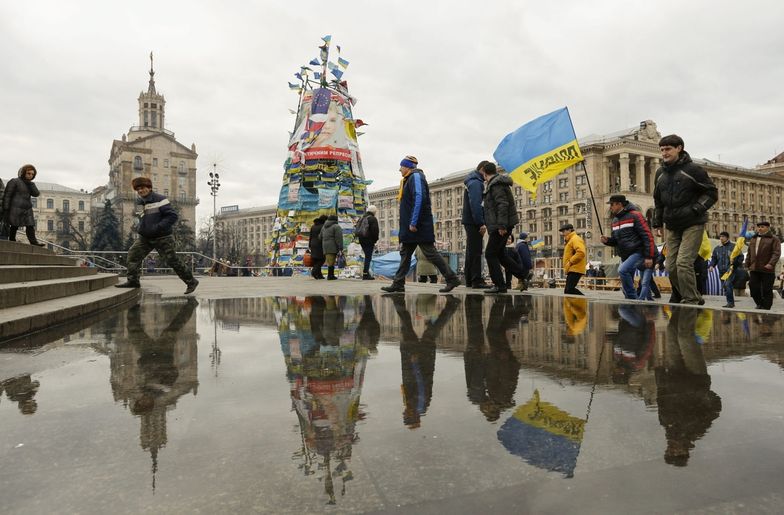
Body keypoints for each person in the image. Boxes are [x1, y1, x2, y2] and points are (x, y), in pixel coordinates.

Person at [652, 134, 718, 305]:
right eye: (662, 150)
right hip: (672, 225)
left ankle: (691, 299)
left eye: (668, 149)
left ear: (679, 148)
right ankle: (690, 295)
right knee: (670, 266)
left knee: (683, 263)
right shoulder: (660, 173)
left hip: (692, 223)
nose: (664, 153)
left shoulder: (693, 170)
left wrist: (696, 209)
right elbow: (658, 200)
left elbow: (711, 192)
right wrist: (657, 222)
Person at [381, 156, 460, 293]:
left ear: (408, 167)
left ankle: (451, 278)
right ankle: (398, 283)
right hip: (411, 226)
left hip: (418, 226)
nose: (400, 169)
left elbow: (419, 198)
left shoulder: (416, 177)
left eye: (401, 167)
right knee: (405, 254)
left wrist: (413, 221)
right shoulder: (409, 179)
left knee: (430, 253)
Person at [656, 307, 722, 466]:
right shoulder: (696, 430)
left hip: (673, 374)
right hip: (695, 377)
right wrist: (701, 392)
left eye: (669, 451)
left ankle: (679, 309)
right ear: (686, 451)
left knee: (671, 331)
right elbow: (716, 407)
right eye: (676, 452)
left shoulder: (667, 425)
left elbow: (661, 398)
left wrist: (659, 376)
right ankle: (690, 307)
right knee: (685, 338)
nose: (672, 448)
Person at [116, 177, 198, 294]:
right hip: (145, 237)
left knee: (172, 260)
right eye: (138, 189)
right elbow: (141, 218)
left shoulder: (160, 199)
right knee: (133, 255)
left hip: (162, 237)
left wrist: (158, 227)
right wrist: (141, 228)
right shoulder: (139, 202)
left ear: (149, 188)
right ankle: (133, 281)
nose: (140, 191)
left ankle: (191, 282)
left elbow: (172, 216)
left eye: (143, 188)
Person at [480, 162, 527, 294]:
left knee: (490, 254)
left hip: (500, 225)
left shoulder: (496, 184)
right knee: (500, 254)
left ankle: (499, 285)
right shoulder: (496, 183)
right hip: (500, 224)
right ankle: (523, 275)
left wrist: (501, 225)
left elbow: (502, 205)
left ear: (484, 172)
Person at [600, 194, 656, 300]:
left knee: (622, 270)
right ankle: (631, 303)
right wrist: (607, 240)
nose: (610, 207)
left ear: (619, 204)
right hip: (624, 255)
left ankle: (633, 299)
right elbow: (616, 241)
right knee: (625, 284)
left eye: (612, 204)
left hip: (637, 252)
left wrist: (649, 256)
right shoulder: (615, 220)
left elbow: (647, 235)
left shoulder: (635, 215)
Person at [2, 164, 45, 246]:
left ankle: (34, 242)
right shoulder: (14, 181)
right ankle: (12, 240)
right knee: (14, 225)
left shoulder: (30, 184)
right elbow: (7, 195)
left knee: (30, 225)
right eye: (29, 173)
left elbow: (36, 194)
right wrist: (6, 208)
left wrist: (31, 184)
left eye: (32, 174)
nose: (31, 176)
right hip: (15, 207)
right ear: (23, 173)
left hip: (27, 208)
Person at [462, 161, 489, 288]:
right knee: (476, 251)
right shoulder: (476, 183)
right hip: (473, 221)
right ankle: (476, 280)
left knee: (471, 251)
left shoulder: (472, 181)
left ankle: (469, 279)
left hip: (469, 220)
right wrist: (481, 223)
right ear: (483, 169)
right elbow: (476, 205)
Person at [745, 221, 781, 310]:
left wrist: (770, 263)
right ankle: (760, 303)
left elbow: (776, 253)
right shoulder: (753, 238)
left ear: (768, 228)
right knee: (753, 287)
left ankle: (766, 307)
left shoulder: (774, 239)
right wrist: (747, 264)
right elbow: (749, 253)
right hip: (754, 268)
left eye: (762, 227)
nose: (760, 228)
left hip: (767, 269)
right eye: (759, 227)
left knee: (767, 289)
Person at [560, 223, 586, 295]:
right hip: (572, 268)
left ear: (569, 230)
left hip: (575, 268)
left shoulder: (575, 239)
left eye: (564, 231)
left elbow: (581, 252)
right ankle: (575, 305)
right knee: (568, 290)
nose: (563, 233)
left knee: (569, 290)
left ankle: (583, 302)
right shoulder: (570, 240)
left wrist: (570, 262)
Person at [356, 205, 380, 280]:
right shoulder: (373, 219)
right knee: (368, 257)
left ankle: (366, 273)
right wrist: (375, 240)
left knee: (367, 255)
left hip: (361, 239)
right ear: (374, 212)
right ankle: (365, 273)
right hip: (369, 240)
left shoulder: (362, 217)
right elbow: (375, 231)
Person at [319, 214, 343, 281]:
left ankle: (331, 275)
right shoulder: (336, 226)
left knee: (329, 261)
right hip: (333, 245)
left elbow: (320, 237)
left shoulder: (324, 227)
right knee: (332, 261)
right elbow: (339, 238)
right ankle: (330, 275)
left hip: (325, 246)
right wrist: (340, 247)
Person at [308, 215, 327, 279]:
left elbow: (310, 236)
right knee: (321, 259)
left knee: (316, 259)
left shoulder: (313, 226)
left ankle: (319, 275)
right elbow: (323, 236)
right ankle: (314, 271)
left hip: (313, 244)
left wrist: (309, 244)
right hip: (320, 244)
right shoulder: (323, 227)